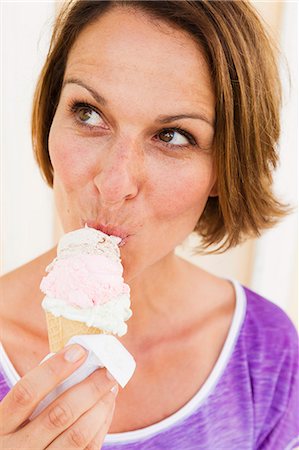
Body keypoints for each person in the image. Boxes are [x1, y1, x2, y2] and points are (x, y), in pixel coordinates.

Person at [0, 1, 298, 449]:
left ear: (225, 168)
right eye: (88, 113)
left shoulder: (264, 354)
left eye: (173, 136)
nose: (114, 184)